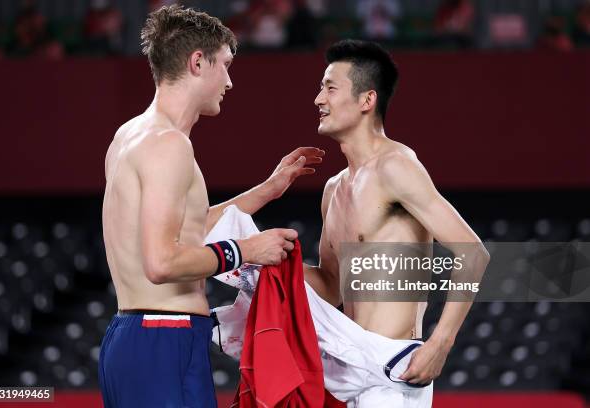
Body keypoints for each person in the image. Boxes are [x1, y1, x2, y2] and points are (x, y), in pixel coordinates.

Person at [98, 5, 324, 408]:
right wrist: (247, 251)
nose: (230, 82)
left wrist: (267, 190)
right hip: (163, 338)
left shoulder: (131, 134)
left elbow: (188, 228)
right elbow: (162, 263)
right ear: (197, 62)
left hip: (134, 335)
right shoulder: (169, 145)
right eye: (225, 65)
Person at [304, 39, 489, 406]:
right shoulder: (333, 189)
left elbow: (474, 253)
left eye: (329, 87)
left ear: (366, 100)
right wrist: (265, 259)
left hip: (394, 373)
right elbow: (330, 286)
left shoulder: (395, 166)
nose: (318, 100)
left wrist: (440, 343)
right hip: (349, 367)